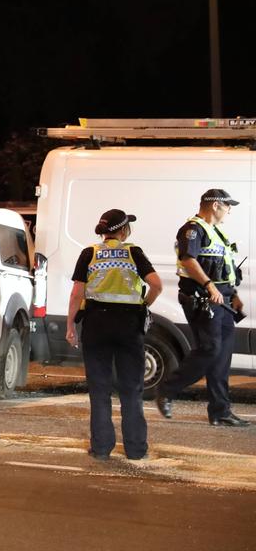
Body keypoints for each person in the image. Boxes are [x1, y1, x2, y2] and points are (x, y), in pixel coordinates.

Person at [65, 209, 162, 460]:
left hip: (96, 324)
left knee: (99, 390)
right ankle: (136, 450)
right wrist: (144, 305)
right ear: (122, 230)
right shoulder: (133, 253)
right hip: (128, 325)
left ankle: (101, 448)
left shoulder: (90, 253)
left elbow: (77, 293)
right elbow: (156, 285)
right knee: (131, 390)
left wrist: (70, 327)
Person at [155, 189, 250, 427]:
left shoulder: (217, 232)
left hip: (223, 300)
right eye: (228, 206)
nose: (230, 210)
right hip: (203, 299)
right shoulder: (192, 229)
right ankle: (167, 389)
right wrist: (209, 286)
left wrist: (233, 295)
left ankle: (220, 411)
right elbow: (189, 260)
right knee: (209, 349)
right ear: (216, 205)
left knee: (222, 357)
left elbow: (222, 267)